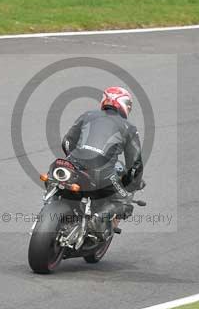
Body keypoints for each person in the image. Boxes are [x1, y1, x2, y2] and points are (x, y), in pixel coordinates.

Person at [61, 86, 145, 233]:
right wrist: (133, 185)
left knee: (57, 182)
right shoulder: (128, 127)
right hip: (103, 174)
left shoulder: (87, 115)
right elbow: (135, 165)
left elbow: (67, 142)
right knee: (124, 199)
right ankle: (99, 218)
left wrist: (73, 159)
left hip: (73, 165)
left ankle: (50, 203)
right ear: (124, 105)